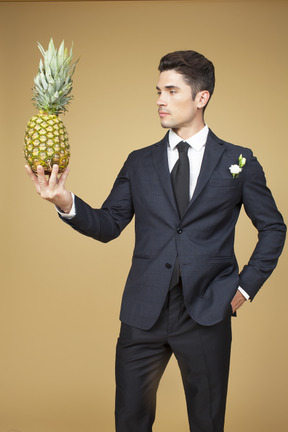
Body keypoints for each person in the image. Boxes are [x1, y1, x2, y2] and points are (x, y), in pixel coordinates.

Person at [25, 50, 286, 432]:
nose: (160, 100)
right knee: (130, 420)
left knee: (207, 421)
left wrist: (244, 289)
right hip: (142, 313)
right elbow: (109, 224)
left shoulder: (239, 161)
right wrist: (65, 202)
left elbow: (274, 228)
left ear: (201, 98)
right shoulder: (139, 161)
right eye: (158, 91)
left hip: (207, 310)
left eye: (171, 90)